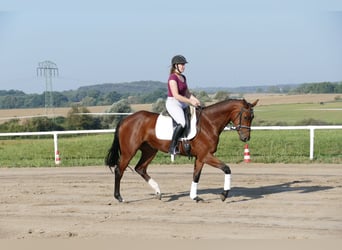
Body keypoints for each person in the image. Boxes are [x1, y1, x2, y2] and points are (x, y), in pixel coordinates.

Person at [166, 55, 201, 155]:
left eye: (184, 65)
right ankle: (172, 147)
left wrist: (196, 101)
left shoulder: (183, 77)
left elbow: (187, 94)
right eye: (182, 65)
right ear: (175, 65)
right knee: (182, 122)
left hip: (182, 102)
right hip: (173, 103)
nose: (183, 66)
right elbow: (176, 95)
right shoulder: (172, 78)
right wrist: (190, 102)